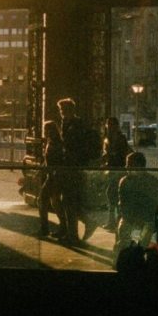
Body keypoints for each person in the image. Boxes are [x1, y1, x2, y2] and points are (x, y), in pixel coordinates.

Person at [57, 97, 98, 244]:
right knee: (70, 200)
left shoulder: (75, 125)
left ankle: (74, 232)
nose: (61, 112)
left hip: (74, 167)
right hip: (72, 166)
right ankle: (74, 231)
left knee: (69, 200)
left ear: (69, 110)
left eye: (62, 109)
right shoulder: (69, 123)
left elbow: (72, 145)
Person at [115, 152, 158, 255]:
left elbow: (122, 206)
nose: (126, 167)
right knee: (144, 237)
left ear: (137, 165)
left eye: (129, 164)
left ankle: (124, 257)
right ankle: (140, 253)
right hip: (147, 220)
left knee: (124, 238)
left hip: (131, 220)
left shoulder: (125, 181)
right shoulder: (153, 181)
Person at [38, 120, 67, 238]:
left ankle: (46, 228)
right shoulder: (53, 142)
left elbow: (53, 160)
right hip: (54, 175)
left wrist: (46, 168)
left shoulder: (55, 143)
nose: (45, 132)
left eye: (46, 129)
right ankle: (62, 227)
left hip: (54, 176)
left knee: (44, 200)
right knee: (54, 201)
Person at [102, 116, 131, 231]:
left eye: (111, 125)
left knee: (113, 194)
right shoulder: (108, 138)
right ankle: (114, 220)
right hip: (112, 169)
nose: (109, 127)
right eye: (108, 124)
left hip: (117, 169)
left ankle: (115, 221)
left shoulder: (120, 138)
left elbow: (120, 154)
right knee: (111, 194)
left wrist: (109, 156)